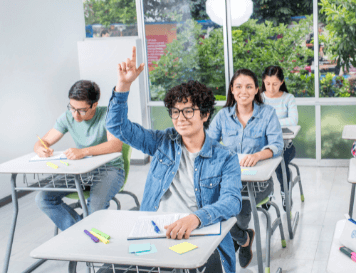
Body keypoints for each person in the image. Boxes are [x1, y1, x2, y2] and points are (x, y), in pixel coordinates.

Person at [105, 47, 242, 273]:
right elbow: (116, 126)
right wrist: (123, 86)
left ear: (205, 115)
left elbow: (232, 202)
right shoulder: (162, 142)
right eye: (175, 112)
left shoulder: (225, 157)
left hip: (198, 232)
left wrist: (195, 218)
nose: (180, 118)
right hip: (155, 230)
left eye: (188, 111)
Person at [207, 68, 284, 268]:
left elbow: (277, 145)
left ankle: (237, 235)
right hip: (228, 180)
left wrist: (258, 155)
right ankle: (243, 238)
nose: (244, 91)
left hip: (258, 184)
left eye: (249, 87)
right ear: (232, 90)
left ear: (257, 89)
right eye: (239, 86)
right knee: (209, 205)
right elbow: (208, 144)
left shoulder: (267, 113)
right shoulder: (223, 116)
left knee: (238, 205)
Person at [34, 80, 125, 231]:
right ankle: (80, 233)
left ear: (94, 105)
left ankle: (81, 236)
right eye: (72, 108)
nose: (75, 114)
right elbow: (44, 141)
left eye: (81, 110)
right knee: (43, 198)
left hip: (109, 169)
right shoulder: (68, 116)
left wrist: (83, 151)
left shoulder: (109, 115)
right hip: (81, 170)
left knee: (94, 211)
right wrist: (39, 148)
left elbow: (115, 145)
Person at [261, 65, 298, 212]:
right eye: (267, 84)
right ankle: (266, 193)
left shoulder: (288, 98)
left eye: (275, 84)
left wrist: (268, 123)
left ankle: (285, 193)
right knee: (264, 164)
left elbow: (293, 120)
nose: (271, 88)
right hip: (263, 146)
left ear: (282, 82)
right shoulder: (260, 98)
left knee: (279, 163)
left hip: (286, 146)